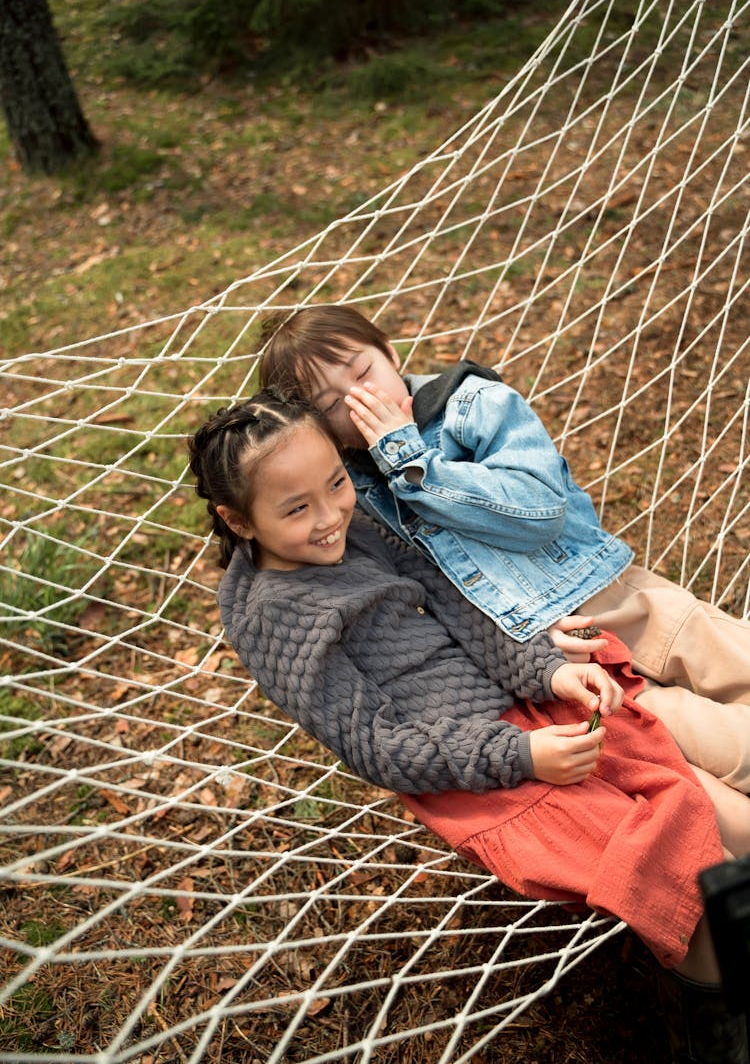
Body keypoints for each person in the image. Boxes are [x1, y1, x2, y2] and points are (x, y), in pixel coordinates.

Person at [188, 389, 750, 1064]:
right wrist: (519, 754)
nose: (331, 511)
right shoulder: (274, 616)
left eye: (336, 481)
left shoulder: (359, 521)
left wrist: (547, 673)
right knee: (690, 875)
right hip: (481, 774)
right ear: (236, 519)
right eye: (296, 507)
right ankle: (717, 1028)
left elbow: (459, 602)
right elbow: (380, 747)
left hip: (529, 716)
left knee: (733, 829)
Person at [258, 304, 750, 793]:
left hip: (604, 592)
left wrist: (408, 460)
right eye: (330, 403)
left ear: (389, 352)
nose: (359, 399)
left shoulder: (473, 405)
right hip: (547, 646)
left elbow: (539, 512)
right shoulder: (348, 495)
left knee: (727, 659)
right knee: (685, 729)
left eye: (364, 372)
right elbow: (424, 594)